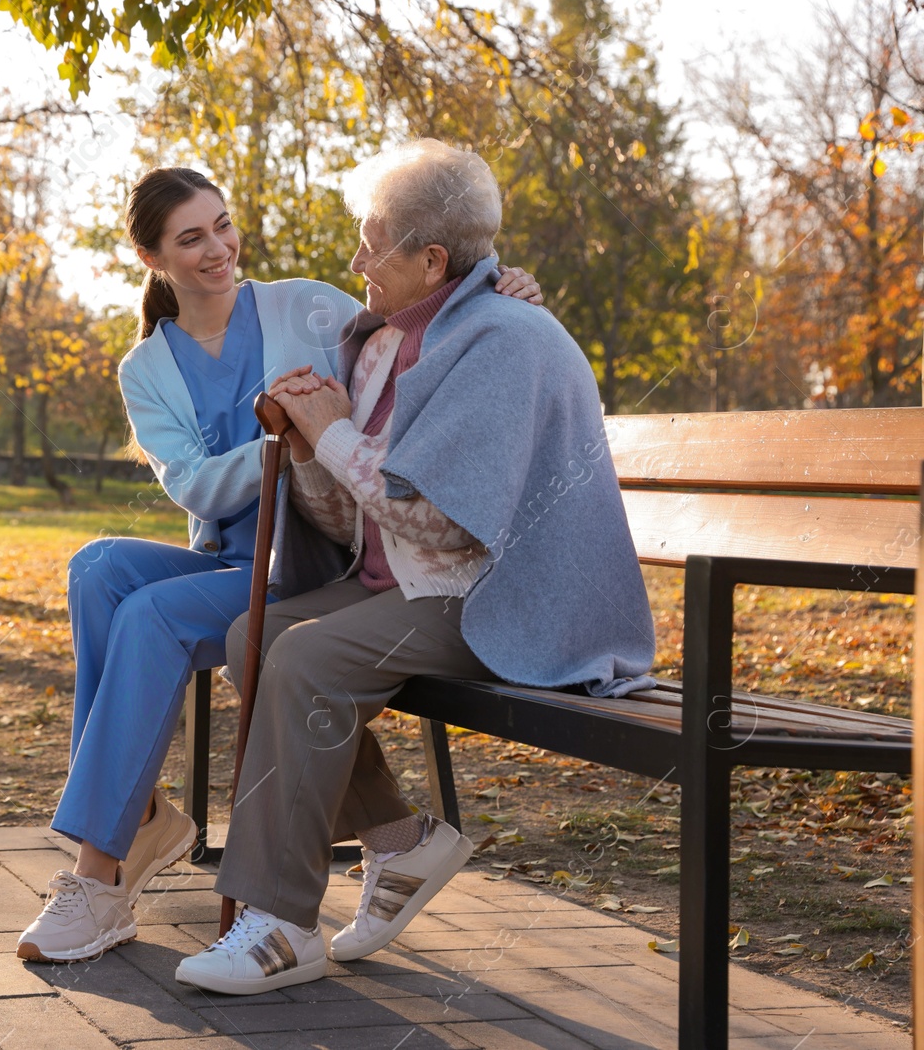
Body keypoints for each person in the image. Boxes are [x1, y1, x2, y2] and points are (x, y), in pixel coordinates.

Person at [15, 165, 544, 964]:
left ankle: (98, 875)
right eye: (191, 238)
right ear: (152, 257)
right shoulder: (146, 369)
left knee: (150, 616)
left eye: (223, 225)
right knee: (98, 570)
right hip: (231, 562)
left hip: (316, 555)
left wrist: (494, 283)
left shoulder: (304, 303)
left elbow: (406, 313)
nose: (219, 248)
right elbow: (190, 483)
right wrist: (279, 435)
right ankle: (145, 815)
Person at [172, 139, 657, 995]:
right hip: (402, 578)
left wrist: (332, 435)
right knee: (254, 633)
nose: (357, 260)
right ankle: (400, 841)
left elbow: (445, 528)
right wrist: (308, 442)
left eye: (374, 242)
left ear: (433, 259)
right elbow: (349, 514)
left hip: (496, 596)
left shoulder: (506, 340)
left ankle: (282, 924)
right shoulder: (382, 343)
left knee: (308, 659)